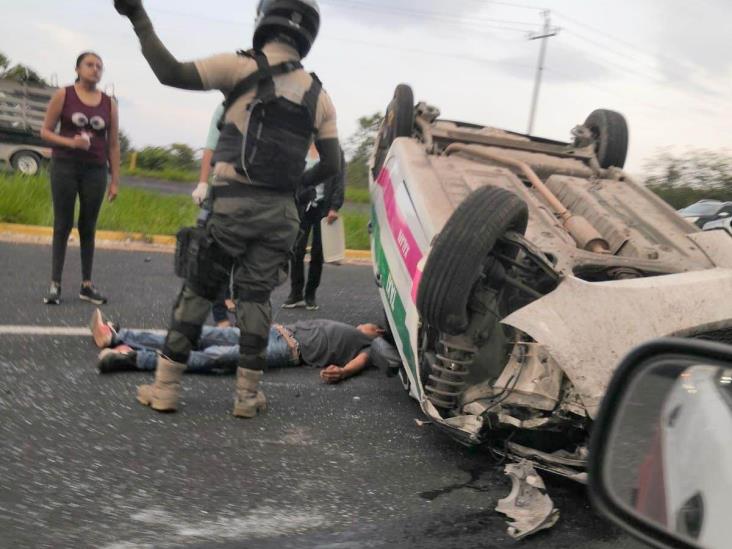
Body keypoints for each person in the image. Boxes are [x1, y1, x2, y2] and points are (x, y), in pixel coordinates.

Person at [114, 0, 341, 418]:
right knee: (255, 300)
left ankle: (165, 388)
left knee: (199, 291)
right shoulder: (319, 94)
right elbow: (332, 163)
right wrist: (295, 186)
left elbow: (170, 72)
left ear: (264, 20)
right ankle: (247, 397)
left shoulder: (239, 67)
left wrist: (137, 17)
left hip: (232, 205)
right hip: (281, 217)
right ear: (308, 33)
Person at [89, 309, 383, 384]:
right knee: (198, 334)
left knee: (216, 359)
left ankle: (132, 358)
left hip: (288, 351)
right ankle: (116, 335)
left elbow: (362, 362)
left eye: (375, 327)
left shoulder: (371, 344)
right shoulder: (353, 329)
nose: (369, 326)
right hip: (275, 331)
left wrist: (343, 371)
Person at [40, 51, 120, 305]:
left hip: (95, 170)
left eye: (99, 66)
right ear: (77, 69)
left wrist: (115, 179)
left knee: (88, 226)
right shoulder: (64, 94)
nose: (95, 69)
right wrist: (70, 142)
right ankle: (55, 284)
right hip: (65, 166)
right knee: (62, 224)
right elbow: (45, 131)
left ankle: (86, 285)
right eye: (89, 64)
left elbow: (114, 144)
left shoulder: (109, 103)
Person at [283, 146, 345, 311]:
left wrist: (334, 207)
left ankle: (310, 294)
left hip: (324, 209)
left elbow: (339, 180)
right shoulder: (300, 145)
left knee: (318, 252)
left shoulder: (334, 150)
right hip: (301, 205)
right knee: (296, 250)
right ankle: (295, 293)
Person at [192, 104, 234, 328]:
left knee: (242, 256)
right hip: (223, 189)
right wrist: (202, 182)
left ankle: (231, 300)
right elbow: (210, 146)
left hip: (253, 194)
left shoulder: (269, 106)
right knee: (217, 252)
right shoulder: (225, 108)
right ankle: (221, 317)